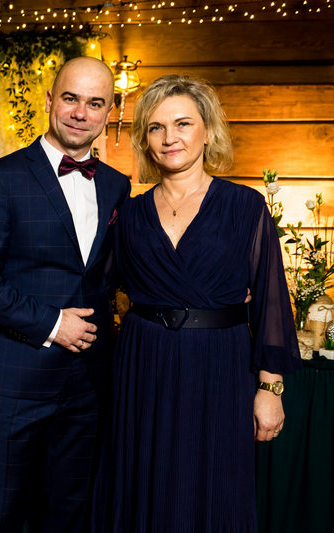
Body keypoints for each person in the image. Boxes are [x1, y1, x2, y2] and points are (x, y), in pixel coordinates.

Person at [92, 75, 302, 532]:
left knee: (214, 487)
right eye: (156, 127)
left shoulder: (245, 207)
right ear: (145, 139)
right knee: (143, 484)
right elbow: (98, 288)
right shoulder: (129, 213)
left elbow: (270, 301)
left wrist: (270, 390)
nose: (170, 138)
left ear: (207, 131)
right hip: (143, 367)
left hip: (219, 366)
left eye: (183, 124)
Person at [0, 56, 131, 532]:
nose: (80, 113)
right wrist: (53, 324)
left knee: (71, 516)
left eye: (95, 103)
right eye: (70, 98)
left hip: (89, 385)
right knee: (2, 515)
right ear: (50, 100)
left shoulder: (117, 186)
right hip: (16, 380)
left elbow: (115, 274)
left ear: (110, 111)